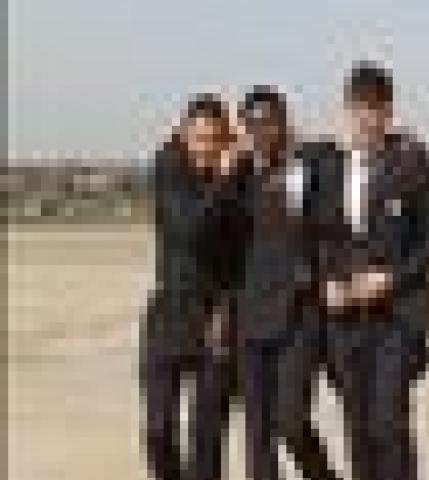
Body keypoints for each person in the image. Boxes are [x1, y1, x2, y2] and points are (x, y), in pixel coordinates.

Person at [300, 61, 429, 480]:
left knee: (388, 422)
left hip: (397, 315)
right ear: (346, 109)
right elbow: (312, 234)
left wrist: (391, 277)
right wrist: (325, 280)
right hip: (344, 318)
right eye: (358, 108)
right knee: (358, 426)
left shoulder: (412, 162)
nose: (366, 118)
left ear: (388, 111)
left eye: (375, 109)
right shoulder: (325, 164)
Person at [141, 93, 251, 480]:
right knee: (158, 431)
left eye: (214, 140)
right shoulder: (168, 168)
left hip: (216, 323)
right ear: (183, 135)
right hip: (169, 316)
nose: (205, 148)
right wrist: (223, 179)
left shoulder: (241, 180)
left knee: (206, 442)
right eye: (199, 139)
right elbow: (191, 229)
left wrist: (228, 308)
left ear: (226, 140)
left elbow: (245, 256)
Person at [235, 86, 336, 480]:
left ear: (285, 123)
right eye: (253, 124)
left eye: (269, 122)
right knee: (257, 433)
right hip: (251, 316)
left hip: (301, 315)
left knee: (291, 422)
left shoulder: (315, 164)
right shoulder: (238, 176)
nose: (262, 132)